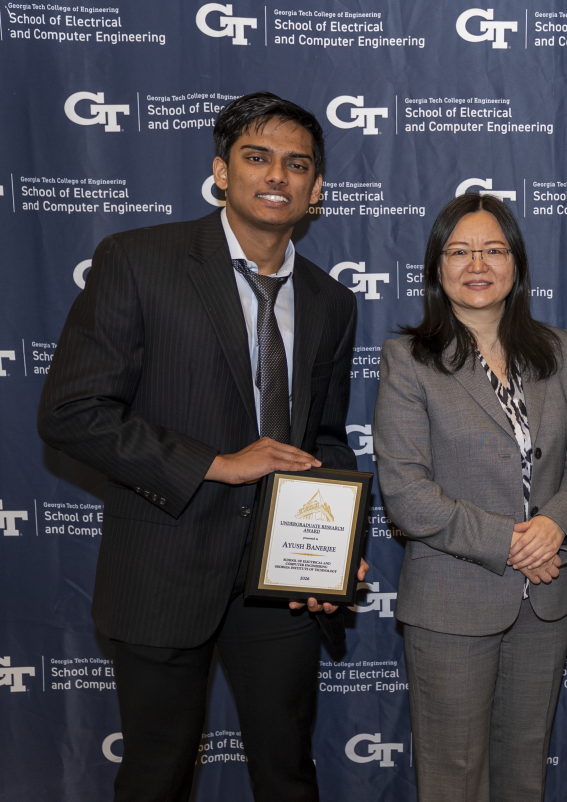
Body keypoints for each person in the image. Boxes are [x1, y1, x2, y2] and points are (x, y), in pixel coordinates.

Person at [37, 92, 366, 802]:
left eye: (297, 164)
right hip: (163, 565)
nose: (276, 175)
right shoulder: (138, 260)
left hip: (282, 581)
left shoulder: (331, 302)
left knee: (288, 774)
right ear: (221, 171)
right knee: (156, 777)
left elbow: (326, 440)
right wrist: (215, 464)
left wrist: (331, 547)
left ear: (317, 190)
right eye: (256, 157)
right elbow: (72, 411)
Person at [373, 193, 567, 801]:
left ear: (517, 264)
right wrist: (516, 543)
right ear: (437, 268)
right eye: (460, 251)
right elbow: (407, 495)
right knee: (455, 777)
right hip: (453, 600)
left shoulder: (558, 350)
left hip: (546, 600)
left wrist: (557, 522)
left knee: (523, 772)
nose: (478, 264)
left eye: (494, 250)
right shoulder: (408, 359)